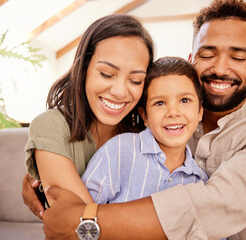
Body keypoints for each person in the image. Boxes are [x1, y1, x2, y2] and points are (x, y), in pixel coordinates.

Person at [25, 0, 246, 239]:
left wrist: (84, 220)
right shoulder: (163, 123)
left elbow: (213, 204)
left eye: (238, 57)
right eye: (207, 54)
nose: (221, 68)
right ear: (191, 59)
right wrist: (42, 170)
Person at [23, 14, 154, 210]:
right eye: (107, 74)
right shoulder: (50, 126)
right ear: (84, 68)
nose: (119, 92)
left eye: (135, 81)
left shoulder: (148, 136)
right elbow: (78, 222)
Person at [82, 56, 208, 204]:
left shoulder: (200, 182)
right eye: (160, 103)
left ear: (200, 111)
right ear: (144, 116)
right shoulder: (118, 151)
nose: (173, 112)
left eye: (185, 100)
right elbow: (79, 213)